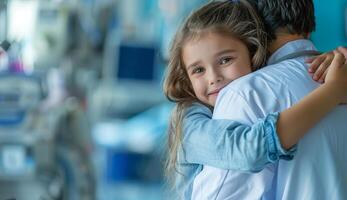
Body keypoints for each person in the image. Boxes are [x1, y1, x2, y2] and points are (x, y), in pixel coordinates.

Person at [162, 0, 347, 199]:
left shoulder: (246, 93)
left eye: (225, 60)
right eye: (198, 70)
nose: (213, 78)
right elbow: (249, 150)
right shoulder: (192, 120)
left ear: (253, 41)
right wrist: (331, 92)